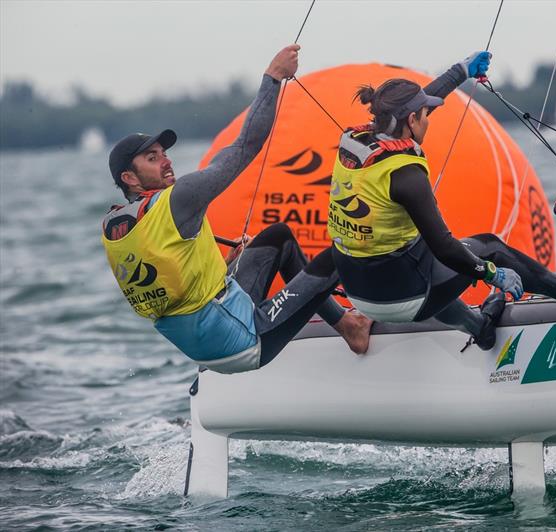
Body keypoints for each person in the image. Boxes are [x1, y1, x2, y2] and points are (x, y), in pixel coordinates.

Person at [102, 45, 372, 374]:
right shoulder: (179, 198)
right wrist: (272, 78)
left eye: (163, 152)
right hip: (245, 342)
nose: (167, 161)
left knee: (278, 238)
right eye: (152, 158)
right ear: (130, 177)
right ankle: (380, 309)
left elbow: (176, 283)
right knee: (345, 248)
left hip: (206, 346)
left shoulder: (118, 224)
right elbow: (246, 145)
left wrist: (228, 266)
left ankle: (346, 325)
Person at [327, 51, 556, 350]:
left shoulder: (354, 141)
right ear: (412, 119)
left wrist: (460, 71)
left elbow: (417, 104)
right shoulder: (406, 174)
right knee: (489, 247)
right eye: (424, 114)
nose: (428, 118)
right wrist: (493, 274)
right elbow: (446, 249)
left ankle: (481, 329)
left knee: (423, 256)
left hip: (360, 294)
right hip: (403, 300)